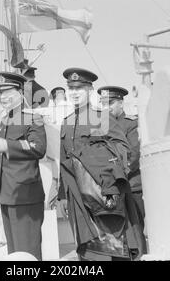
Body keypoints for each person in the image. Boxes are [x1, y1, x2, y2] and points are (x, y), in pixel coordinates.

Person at [57, 67, 144, 261]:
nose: (74, 93)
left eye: (79, 88)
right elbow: (64, 161)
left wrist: (108, 180)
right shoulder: (67, 122)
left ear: (89, 90)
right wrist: (63, 195)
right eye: (71, 89)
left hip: (102, 194)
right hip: (77, 196)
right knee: (87, 249)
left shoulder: (102, 117)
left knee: (111, 247)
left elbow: (124, 150)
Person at [0, 72, 47, 260]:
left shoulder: (33, 117)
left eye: (8, 91)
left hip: (25, 196)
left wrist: (7, 145)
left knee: (28, 252)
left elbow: (39, 148)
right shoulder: (3, 121)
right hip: (7, 195)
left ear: (20, 92)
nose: (3, 97)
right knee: (15, 254)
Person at [98, 85, 146, 258]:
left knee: (135, 228)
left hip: (131, 186)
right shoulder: (99, 126)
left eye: (110, 103)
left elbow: (133, 154)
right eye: (104, 104)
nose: (107, 108)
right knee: (116, 233)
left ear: (120, 103)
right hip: (110, 188)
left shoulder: (131, 124)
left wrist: (116, 175)